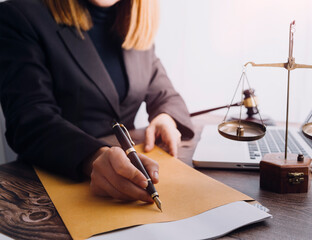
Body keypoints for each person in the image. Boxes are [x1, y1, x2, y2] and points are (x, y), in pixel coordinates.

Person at [0, 0, 194, 204]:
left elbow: (164, 93)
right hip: (50, 190)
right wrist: (92, 156)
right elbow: (29, 120)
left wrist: (166, 118)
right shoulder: (18, 16)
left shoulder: (133, 19)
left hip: (130, 181)